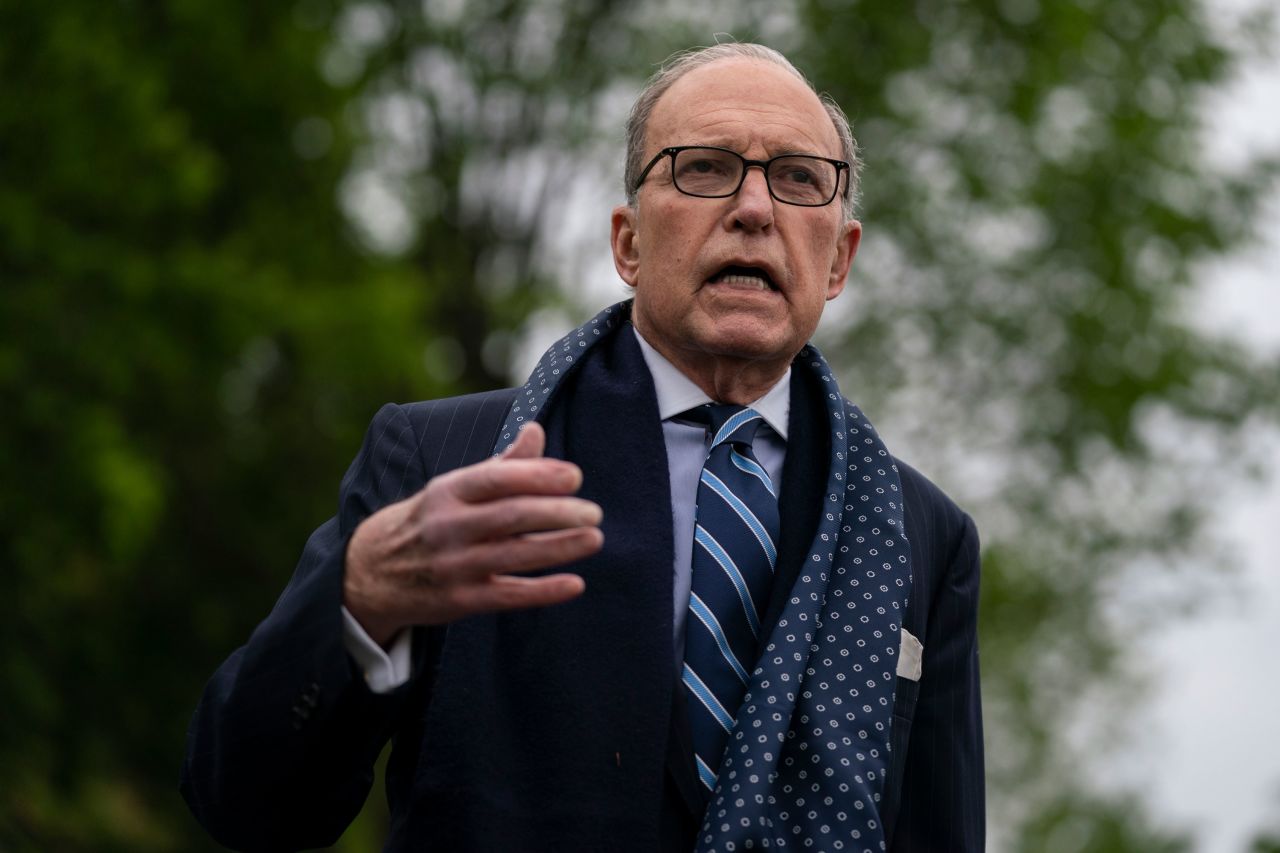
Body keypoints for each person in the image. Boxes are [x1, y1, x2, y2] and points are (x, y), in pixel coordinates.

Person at [182, 42, 984, 853]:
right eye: (705, 168)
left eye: (799, 178)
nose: (753, 208)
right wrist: (361, 604)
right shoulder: (447, 459)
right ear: (627, 244)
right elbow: (244, 805)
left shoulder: (920, 535)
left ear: (839, 259)